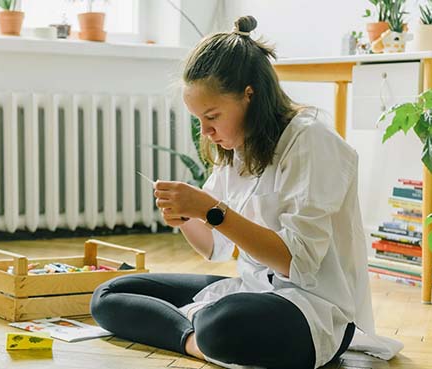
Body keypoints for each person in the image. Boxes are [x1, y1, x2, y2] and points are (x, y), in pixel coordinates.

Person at [91, 15, 392, 369]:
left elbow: (296, 262)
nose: (206, 132)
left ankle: (197, 333)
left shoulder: (311, 141)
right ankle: (195, 341)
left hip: (313, 309)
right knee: (109, 295)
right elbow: (211, 247)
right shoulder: (238, 149)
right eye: (199, 121)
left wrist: (212, 212)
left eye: (213, 117)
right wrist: (185, 217)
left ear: (249, 95)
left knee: (222, 323)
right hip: (252, 291)